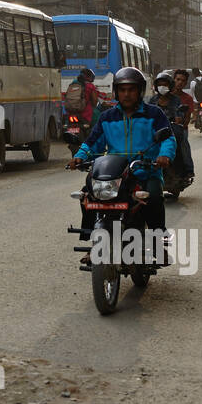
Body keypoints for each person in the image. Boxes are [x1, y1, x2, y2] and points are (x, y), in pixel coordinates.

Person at [70, 67, 177, 260]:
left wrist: (164, 156)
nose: (126, 94)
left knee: (153, 196)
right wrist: (79, 156)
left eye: (131, 89)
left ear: (140, 91)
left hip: (145, 171)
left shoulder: (154, 114)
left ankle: (157, 241)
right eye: (122, 90)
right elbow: (92, 142)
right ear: (116, 92)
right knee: (88, 194)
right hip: (114, 173)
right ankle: (94, 240)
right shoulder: (107, 117)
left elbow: (168, 138)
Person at [152, 70, 194, 183]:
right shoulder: (153, 100)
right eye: (160, 85)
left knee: (181, 140)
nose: (162, 87)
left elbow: (181, 115)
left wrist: (178, 118)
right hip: (155, 129)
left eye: (165, 85)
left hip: (172, 128)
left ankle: (186, 169)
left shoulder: (176, 100)